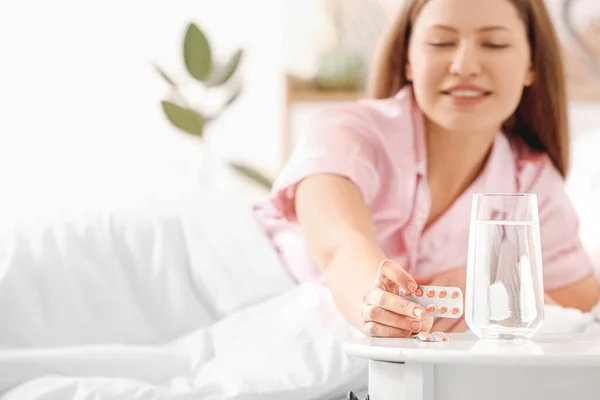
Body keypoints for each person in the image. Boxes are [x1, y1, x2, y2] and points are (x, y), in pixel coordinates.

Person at [253, 0, 600, 338]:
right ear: (407, 58)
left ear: (531, 64)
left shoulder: (531, 179)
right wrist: (378, 304)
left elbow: (582, 303)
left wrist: (493, 282)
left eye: (494, 44)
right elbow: (342, 247)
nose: (464, 65)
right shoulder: (344, 134)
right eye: (441, 42)